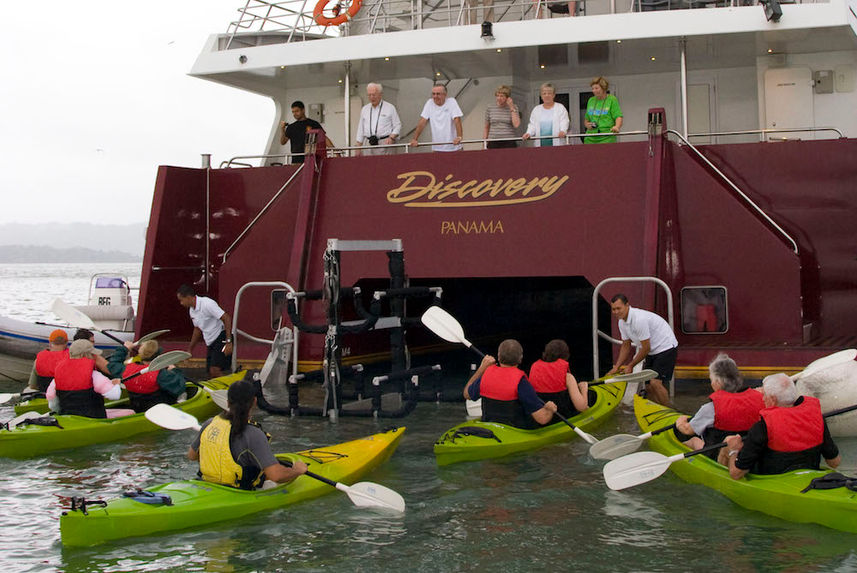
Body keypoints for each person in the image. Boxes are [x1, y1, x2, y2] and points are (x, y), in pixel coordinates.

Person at [188, 379, 308, 490]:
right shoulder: (254, 434)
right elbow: (276, 475)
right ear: (254, 401)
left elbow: (192, 456)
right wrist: (296, 471)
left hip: (205, 484)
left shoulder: (209, 423)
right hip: (238, 491)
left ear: (228, 402)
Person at [725, 373, 840, 479]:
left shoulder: (761, 427)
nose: (762, 398)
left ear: (772, 399)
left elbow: (736, 474)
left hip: (774, 482)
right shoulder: (816, 418)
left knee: (728, 446)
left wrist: (733, 450)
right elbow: (834, 462)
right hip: (808, 477)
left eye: (764, 395)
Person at [674, 353, 764, 463]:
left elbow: (687, 430)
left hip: (719, 455)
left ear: (717, 382)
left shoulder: (710, 408)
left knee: (693, 440)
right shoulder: (760, 398)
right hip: (750, 450)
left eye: (711, 379)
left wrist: (680, 421)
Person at [463, 339, 558, 429]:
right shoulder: (521, 382)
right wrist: (550, 409)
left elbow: (467, 394)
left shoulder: (486, 375)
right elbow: (542, 419)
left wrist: (482, 368)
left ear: (499, 357)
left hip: (490, 428)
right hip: (515, 431)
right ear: (520, 359)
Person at [606, 293, 678, 407]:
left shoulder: (639, 319)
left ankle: (670, 411)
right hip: (652, 351)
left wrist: (630, 365)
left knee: (655, 383)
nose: (616, 312)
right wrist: (617, 367)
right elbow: (626, 345)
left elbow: (646, 348)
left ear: (627, 305)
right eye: (613, 309)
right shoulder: (621, 322)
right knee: (648, 386)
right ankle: (656, 410)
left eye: (618, 308)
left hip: (666, 347)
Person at [45, 339, 122, 418]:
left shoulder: (58, 376)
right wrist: (116, 385)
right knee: (131, 412)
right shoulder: (94, 375)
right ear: (88, 355)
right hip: (93, 419)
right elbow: (115, 395)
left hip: (68, 419)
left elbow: (52, 403)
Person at [107, 340, 186, 412]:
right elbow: (180, 387)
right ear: (158, 355)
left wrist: (124, 349)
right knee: (181, 393)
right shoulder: (162, 374)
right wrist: (174, 370)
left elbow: (113, 364)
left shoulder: (126, 370)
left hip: (137, 407)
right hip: (159, 409)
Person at [176, 284, 234, 378]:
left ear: (188, 297)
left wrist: (228, 341)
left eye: (181, 300)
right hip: (210, 341)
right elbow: (197, 329)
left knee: (214, 370)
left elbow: (226, 318)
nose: (181, 303)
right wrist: (190, 349)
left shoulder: (207, 304)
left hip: (221, 337)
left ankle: (230, 389)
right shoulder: (192, 310)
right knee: (210, 373)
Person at [528, 339, 589, 420]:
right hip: (563, 418)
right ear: (566, 356)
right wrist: (584, 389)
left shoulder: (535, 368)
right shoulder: (568, 377)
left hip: (542, 417)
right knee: (587, 404)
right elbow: (581, 407)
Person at [410, 85, 464, 152]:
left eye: (438, 94)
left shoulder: (451, 101)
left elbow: (457, 120)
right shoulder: (429, 103)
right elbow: (422, 122)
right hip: (437, 148)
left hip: (454, 147)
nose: (435, 96)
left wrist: (459, 137)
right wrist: (415, 139)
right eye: (433, 94)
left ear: (445, 95)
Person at [355, 83, 402, 156]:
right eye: (369, 95)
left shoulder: (390, 107)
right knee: (368, 166)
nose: (371, 97)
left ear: (380, 94)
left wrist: (391, 138)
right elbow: (361, 129)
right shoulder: (365, 109)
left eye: (374, 95)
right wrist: (358, 146)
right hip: (368, 143)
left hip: (385, 143)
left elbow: (397, 125)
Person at [522, 83, 570, 147]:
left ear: (553, 95)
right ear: (541, 96)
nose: (547, 95)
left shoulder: (560, 107)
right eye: (544, 93)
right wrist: (528, 133)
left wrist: (563, 131)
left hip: (557, 144)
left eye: (549, 93)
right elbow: (532, 125)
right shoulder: (536, 109)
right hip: (540, 146)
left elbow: (564, 121)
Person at [584, 76, 623, 144]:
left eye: (596, 88)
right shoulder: (591, 100)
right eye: (593, 88)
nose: (594, 91)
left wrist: (617, 127)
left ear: (604, 88)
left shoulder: (612, 99)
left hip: (607, 138)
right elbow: (586, 119)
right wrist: (587, 125)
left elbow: (618, 116)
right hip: (590, 138)